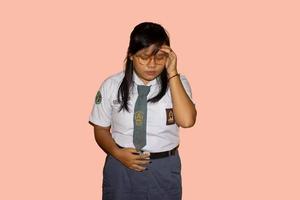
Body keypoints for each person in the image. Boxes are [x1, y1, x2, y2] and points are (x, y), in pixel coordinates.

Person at [89, 22, 197, 200]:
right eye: (144, 57)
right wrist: (117, 153)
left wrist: (172, 73)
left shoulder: (178, 83)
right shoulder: (112, 85)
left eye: (160, 57)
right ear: (131, 55)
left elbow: (187, 121)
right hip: (120, 166)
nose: (152, 64)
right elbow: (100, 129)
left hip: (164, 167)